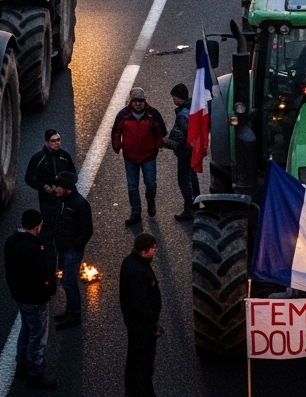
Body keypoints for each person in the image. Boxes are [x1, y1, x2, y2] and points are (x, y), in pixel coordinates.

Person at [5, 209, 56, 389]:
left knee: (26, 329)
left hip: (20, 296)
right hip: (35, 299)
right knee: (38, 336)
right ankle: (35, 373)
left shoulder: (11, 242)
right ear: (36, 227)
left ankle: (21, 364)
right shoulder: (32, 248)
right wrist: (47, 291)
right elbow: (39, 276)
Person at [24, 129, 76, 284]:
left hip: (64, 202)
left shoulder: (64, 156)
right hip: (48, 203)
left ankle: (64, 267)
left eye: (58, 140)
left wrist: (66, 187)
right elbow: (29, 178)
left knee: (65, 232)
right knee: (48, 236)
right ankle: (49, 270)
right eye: (53, 141)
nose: (57, 143)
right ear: (46, 142)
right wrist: (43, 187)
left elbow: (73, 175)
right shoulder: (39, 158)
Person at [111, 87, 167, 226]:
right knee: (132, 187)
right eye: (135, 101)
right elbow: (116, 132)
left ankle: (150, 200)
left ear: (144, 101)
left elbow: (161, 131)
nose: (138, 104)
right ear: (131, 102)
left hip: (149, 156)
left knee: (150, 183)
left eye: (140, 101)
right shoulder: (123, 115)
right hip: (130, 158)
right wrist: (117, 145)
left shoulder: (152, 114)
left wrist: (159, 144)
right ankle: (135, 212)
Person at [119, 234, 162, 397]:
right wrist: (153, 326)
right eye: (153, 248)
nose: (154, 251)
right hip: (142, 327)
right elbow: (141, 305)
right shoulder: (138, 271)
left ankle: (131, 392)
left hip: (134, 323)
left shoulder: (129, 261)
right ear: (145, 250)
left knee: (134, 361)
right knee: (143, 365)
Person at [51, 172, 93, 330]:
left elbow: (87, 230)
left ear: (67, 188)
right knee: (65, 281)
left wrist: (75, 246)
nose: (56, 189)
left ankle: (74, 314)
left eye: (59, 187)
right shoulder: (61, 201)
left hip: (71, 251)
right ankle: (69, 310)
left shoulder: (80, 204)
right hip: (61, 248)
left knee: (69, 282)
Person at [166, 83, 200, 220]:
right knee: (193, 176)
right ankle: (197, 202)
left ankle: (188, 209)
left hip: (185, 151)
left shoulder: (182, 114)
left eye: (174, 97)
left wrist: (166, 143)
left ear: (179, 99)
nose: (173, 100)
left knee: (184, 180)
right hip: (194, 149)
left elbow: (179, 135)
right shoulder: (193, 108)